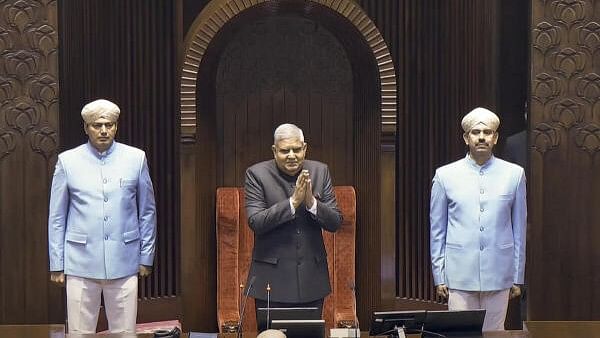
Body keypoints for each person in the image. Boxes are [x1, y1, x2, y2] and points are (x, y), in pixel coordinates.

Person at [48, 99, 156, 333]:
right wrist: (57, 263)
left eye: (109, 124)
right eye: (97, 125)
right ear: (86, 127)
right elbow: (57, 216)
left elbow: (147, 212)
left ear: (117, 126)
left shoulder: (136, 158)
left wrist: (146, 256)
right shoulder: (68, 161)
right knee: (79, 332)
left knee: (125, 332)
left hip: (125, 259)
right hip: (80, 261)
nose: (104, 130)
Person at [429, 107, 527, 331]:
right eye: (475, 132)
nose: (481, 136)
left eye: (487, 132)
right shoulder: (445, 175)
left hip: (499, 272)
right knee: (460, 334)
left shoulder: (514, 174)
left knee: (495, 333)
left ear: (495, 138)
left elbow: (519, 229)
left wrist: (517, 275)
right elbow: (437, 230)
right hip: (459, 273)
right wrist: (439, 275)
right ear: (466, 138)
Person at [244, 123, 343, 327]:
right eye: (284, 150)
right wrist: (292, 203)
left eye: (297, 150)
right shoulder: (256, 174)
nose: (291, 155)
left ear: (304, 148)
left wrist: (311, 203)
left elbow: (335, 222)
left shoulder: (320, 171)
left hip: (312, 280)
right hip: (271, 281)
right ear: (274, 151)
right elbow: (256, 222)